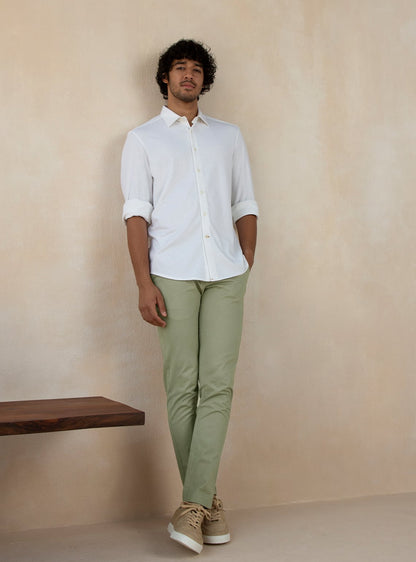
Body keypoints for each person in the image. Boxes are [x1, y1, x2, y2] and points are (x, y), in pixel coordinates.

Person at [121, 39, 258, 554]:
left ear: (205, 79)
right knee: (183, 387)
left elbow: (244, 200)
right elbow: (136, 214)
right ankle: (207, 505)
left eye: (196, 69)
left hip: (226, 273)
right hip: (172, 274)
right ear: (165, 77)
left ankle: (194, 505)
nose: (188, 76)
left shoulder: (229, 136)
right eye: (180, 68)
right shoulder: (142, 139)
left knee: (218, 386)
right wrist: (143, 282)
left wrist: (246, 257)